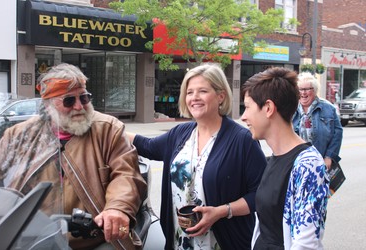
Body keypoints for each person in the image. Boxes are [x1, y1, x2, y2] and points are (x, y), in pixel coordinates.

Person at [0, 63, 146, 250]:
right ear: (48, 106)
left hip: (95, 238)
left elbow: (126, 175)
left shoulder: (108, 128)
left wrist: (117, 208)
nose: (79, 106)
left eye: (84, 97)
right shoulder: (19, 134)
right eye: (68, 101)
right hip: (31, 240)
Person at [128, 63, 267, 249]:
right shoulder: (180, 133)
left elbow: (261, 195)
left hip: (225, 241)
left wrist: (221, 211)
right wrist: (106, 126)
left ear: (221, 96)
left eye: (202, 91)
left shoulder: (243, 140)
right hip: (181, 241)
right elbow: (147, 146)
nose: (194, 98)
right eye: (189, 92)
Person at [240, 67, 329, 249]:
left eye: (247, 107)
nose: (243, 116)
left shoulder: (308, 165)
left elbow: (306, 244)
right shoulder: (272, 159)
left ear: (268, 108)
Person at [292, 72, 343, 170]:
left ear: (314, 90)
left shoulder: (328, 109)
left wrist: (329, 157)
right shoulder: (291, 109)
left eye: (307, 89)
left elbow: (337, 135)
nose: (303, 92)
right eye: (300, 89)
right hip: (297, 164)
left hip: (320, 164)